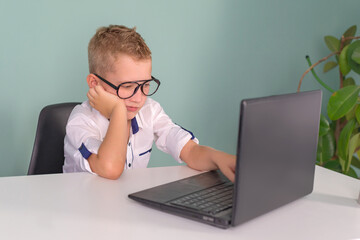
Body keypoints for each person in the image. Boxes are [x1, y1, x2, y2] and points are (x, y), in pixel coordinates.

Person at [63, 25, 235, 181]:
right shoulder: (81, 120)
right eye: (127, 86)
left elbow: (189, 151)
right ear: (95, 83)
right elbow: (110, 169)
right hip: (83, 210)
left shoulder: (149, 111)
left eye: (145, 85)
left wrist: (220, 158)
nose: (138, 98)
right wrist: (117, 111)